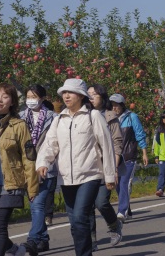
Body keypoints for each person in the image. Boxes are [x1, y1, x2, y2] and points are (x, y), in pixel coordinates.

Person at [35, 78, 117, 256]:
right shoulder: (59, 120)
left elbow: (107, 145)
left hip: (90, 175)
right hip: (66, 178)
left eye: (70, 92)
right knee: (75, 222)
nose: (66, 95)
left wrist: (110, 175)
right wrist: (43, 162)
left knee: (80, 217)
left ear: (81, 96)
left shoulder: (92, 116)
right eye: (64, 92)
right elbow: (50, 144)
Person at [0, 83, 39, 256]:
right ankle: (17, 250)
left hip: (9, 185)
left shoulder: (19, 125)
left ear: (12, 101)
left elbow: (29, 157)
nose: (0, 100)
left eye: (5, 96)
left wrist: (32, 187)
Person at [20, 84, 57, 256]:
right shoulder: (20, 117)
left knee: (37, 204)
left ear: (42, 98)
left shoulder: (53, 118)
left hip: (46, 167)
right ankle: (43, 238)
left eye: (34, 96)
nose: (30, 100)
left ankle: (33, 239)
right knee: (35, 203)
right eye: (28, 96)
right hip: (27, 168)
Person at [87, 85, 123, 250]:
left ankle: (114, 225)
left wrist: (113, 169)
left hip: (105, 166)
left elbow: (117, 144)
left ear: (102, 96)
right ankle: (91, 239)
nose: (91, 97)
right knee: (86, 205)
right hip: (87, 166)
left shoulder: (110, 116)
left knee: (101, 203)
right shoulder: (82, 116)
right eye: (88, 94)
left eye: (94, 94)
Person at [112, 94, 148, 220]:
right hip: (114, 157)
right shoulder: (110, 119)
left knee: (124, 183)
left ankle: (122, 211)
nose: (114, 108)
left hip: (128, 156)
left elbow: (140, 135)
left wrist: (144, 152)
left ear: (122, 105)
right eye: (112, 105)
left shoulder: (132, 117)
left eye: (116, 105)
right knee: (117, 184)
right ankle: (127, 208)